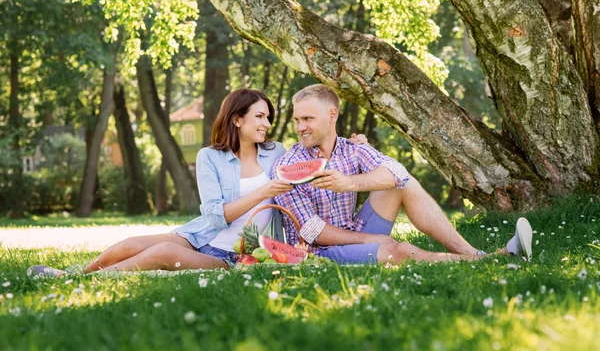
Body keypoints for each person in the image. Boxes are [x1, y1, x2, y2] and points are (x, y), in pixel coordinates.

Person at [27, 88, 369, 277]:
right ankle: (74, 274)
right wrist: (266, 190)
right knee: (131, 243)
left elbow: (317, 152)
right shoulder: (210, 157)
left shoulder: (278, 152)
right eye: (260, 116)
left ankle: (93, 281)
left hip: (239, 253)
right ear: (237, 120)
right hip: (202, 236)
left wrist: (354, 146)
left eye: (268, 117)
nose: (267, 123)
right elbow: (216, 216)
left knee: (160, 252)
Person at [273, 84, 533, 265]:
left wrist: (349, 183)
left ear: (332, 115)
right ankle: (495, 258)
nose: (300, 127)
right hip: (320, 251)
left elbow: (398, 173)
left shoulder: (351, 148)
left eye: (307, 119)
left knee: (402, 185)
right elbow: (311, 231)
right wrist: (371, 238)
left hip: (350, 229)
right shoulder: (288, 164)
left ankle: (472, 253)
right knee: (399, 251)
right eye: (297, 120)